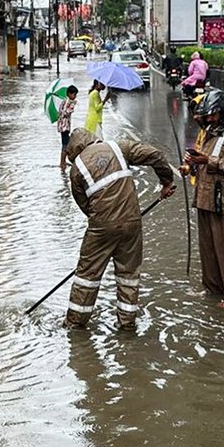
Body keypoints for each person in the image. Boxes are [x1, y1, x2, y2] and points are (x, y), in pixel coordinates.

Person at [64, 128, 176, 330]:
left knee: (87, 276)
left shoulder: (76, 169)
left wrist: (106, 222)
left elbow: (85, 206)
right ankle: (127, 324)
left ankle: (74, 324)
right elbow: (155, 155)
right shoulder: (119, 147)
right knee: (129, 275)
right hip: (132, 223)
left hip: (101, 227)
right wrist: (166, 181)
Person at [184, 90, 224, 307]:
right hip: (204, 197)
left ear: (223, 113)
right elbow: (203, 158)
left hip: (223, 200)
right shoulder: (211, 130)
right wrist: (192, 164)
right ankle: (212, 289)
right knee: (208, 249)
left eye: (212, 115)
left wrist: (207, 160)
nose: (208, 119)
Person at [57, 85, 79, 171]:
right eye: (74, 94)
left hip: (64, 126)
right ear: (69, 94)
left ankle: (63, 161)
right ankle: (62, 163)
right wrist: (72, 105)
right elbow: (66, 112)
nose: (75, 96)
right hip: (64, 127)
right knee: (65, 145)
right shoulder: (67, 102)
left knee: (66, 144)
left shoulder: (65, 101)